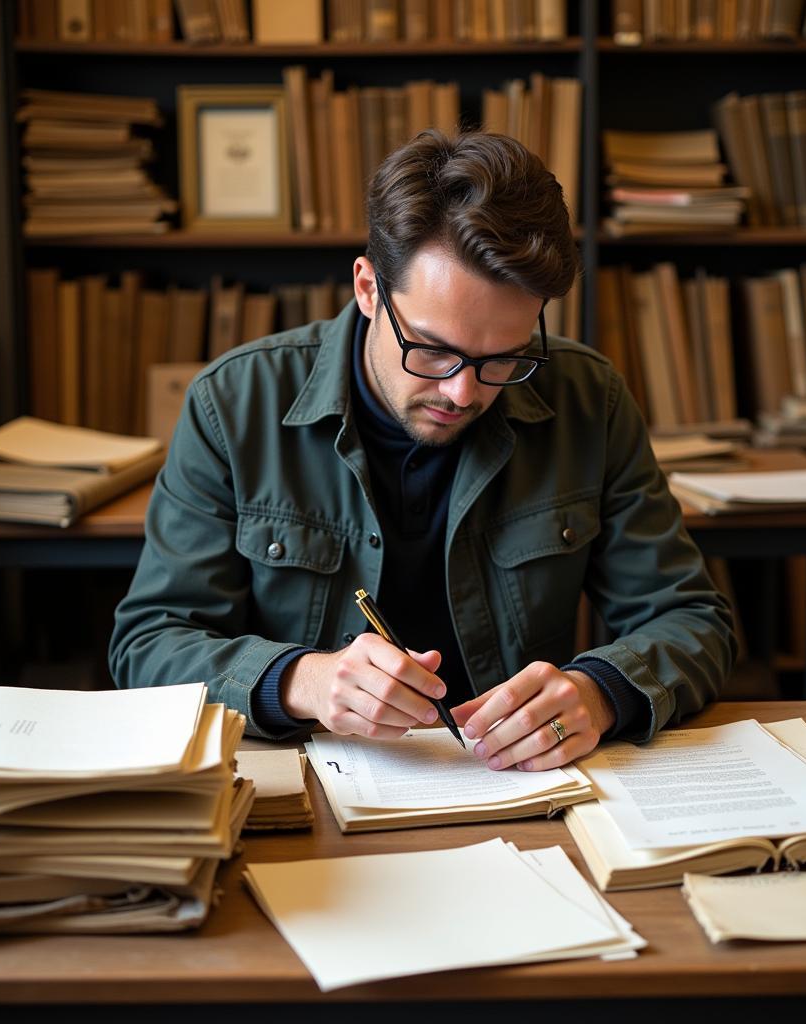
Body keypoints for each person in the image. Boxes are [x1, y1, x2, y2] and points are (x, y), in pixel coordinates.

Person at [109, 129, 736, 772]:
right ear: (368, 289)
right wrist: (303, 682)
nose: (462, 391)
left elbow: (691, 618)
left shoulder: (589, 400)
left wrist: (601, 692)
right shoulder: (234, 404)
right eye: (432, 350)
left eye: (503, 358)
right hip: (310, 792)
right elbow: (150, 643)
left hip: (524, 791)